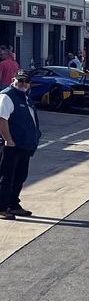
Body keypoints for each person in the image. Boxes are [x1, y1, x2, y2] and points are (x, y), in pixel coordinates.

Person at [0, 70, 41, 219]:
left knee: (19, 176)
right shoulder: (7, 96)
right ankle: (1, 207)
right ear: (13, 80)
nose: (23, 84)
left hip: (23, 145)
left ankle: (13, 205)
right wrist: (8, 140)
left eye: (26, 81)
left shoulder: (24, 96)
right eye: (20, 81)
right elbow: (2, 119)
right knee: (6, 177)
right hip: (11, 145)